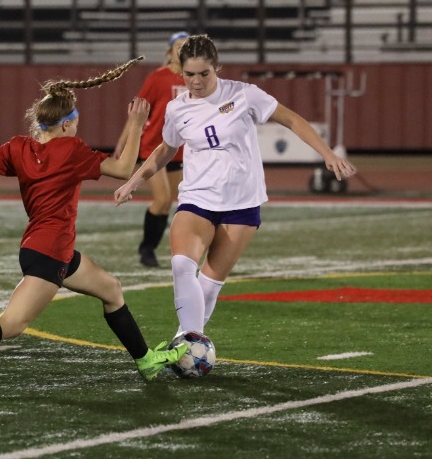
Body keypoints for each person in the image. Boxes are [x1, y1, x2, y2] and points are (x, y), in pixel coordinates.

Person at [0, 57, 187, 392]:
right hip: (51, 253)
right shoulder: (71, 150)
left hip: (45, 248)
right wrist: (138, 125)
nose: (77, 129)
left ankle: (146, 360)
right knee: (11, 324)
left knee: (111, 289)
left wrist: (10, 152)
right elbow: (124, 169)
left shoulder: (18, 147)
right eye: (76, 123)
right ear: (66, 125)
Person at [114, 35, 357, 334]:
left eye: (204, 73)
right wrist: (133, 182)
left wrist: (327, 154)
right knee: (181, 266)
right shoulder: (177, 108)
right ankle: (191, 344)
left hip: (242, 203)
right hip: (197, 199)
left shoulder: (244, 94)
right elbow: (166, 149)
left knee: (209, 284)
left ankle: (186, 341)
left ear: (217, 67)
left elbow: (291, 120)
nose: (196, 81)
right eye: (189, 74)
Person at [113, 31, 189, 268]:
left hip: (179, 148)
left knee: (169, 202)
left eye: (186, 45)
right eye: (178, 45)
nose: (182, 49)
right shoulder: (159, 78)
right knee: (162, 198)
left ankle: (151, 249)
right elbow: (138, 112)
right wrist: (123, 142)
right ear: (170, 51)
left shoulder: (195, 78)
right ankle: (147, 249)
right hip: (154, 147)